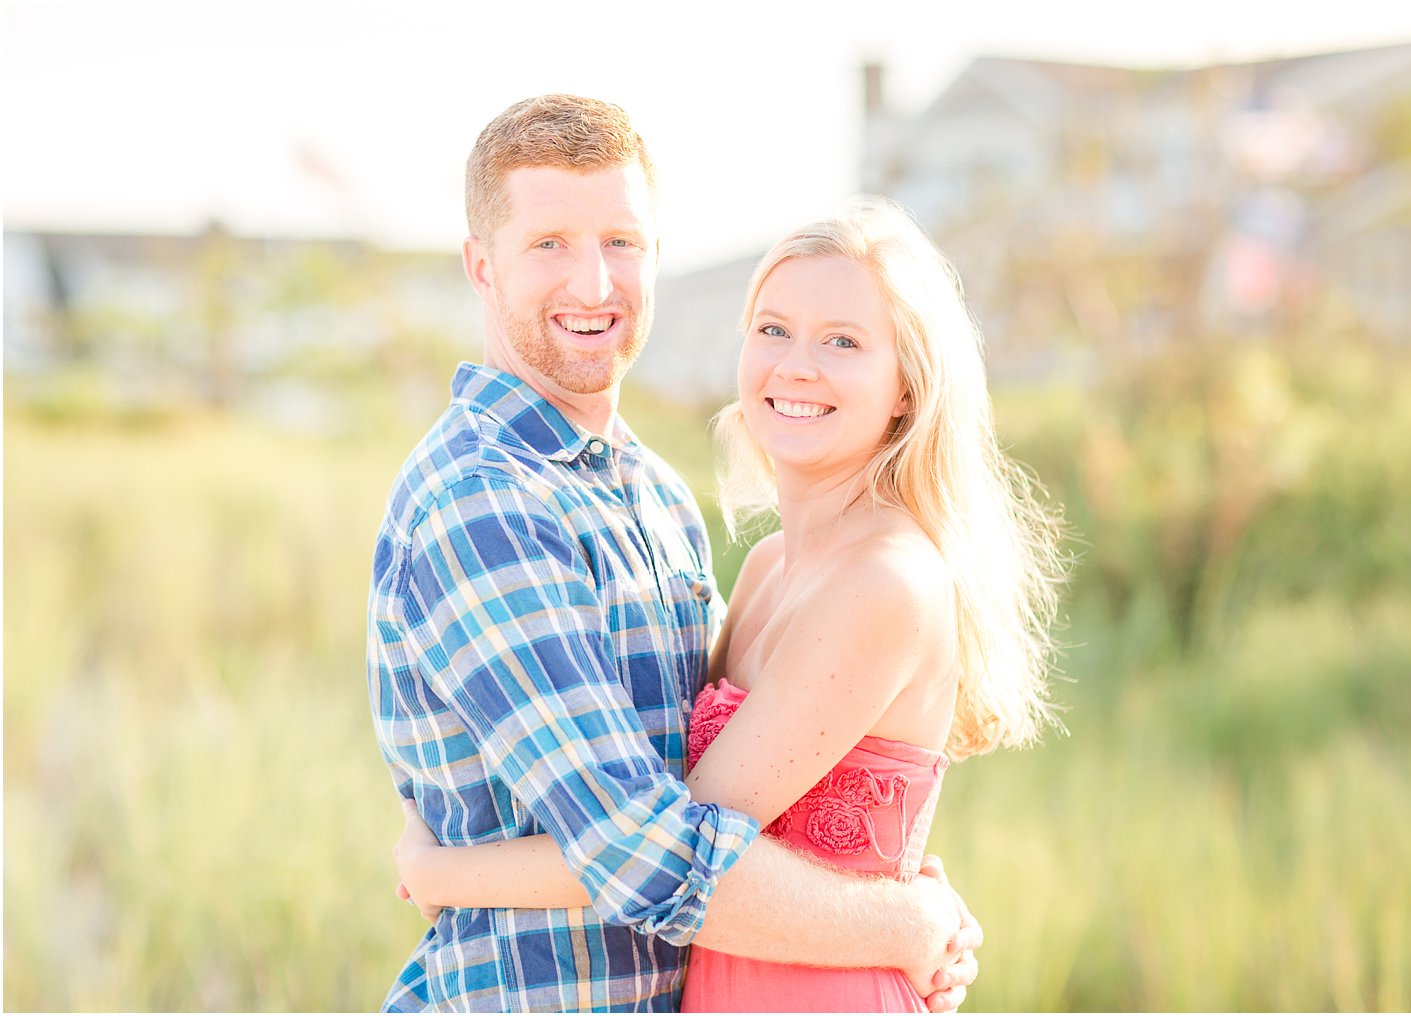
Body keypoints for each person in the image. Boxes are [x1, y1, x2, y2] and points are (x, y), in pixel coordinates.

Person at [367, 94, 982, 1013]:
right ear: (481, 267)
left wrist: (898, 904)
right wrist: (898, 923)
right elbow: (639, 846)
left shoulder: (656, 500)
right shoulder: (481, 503)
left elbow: (726, 810)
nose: (593, 284)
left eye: (622, 241)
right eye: (550, 245)